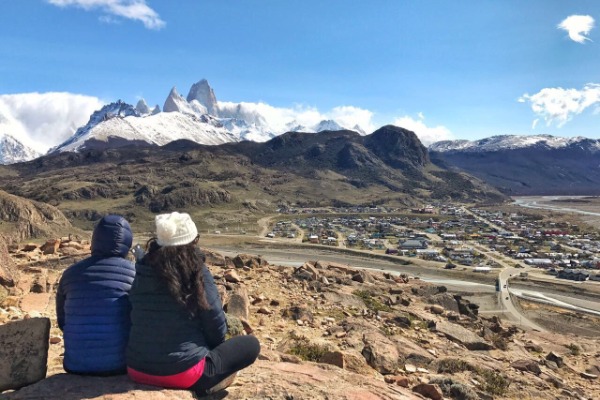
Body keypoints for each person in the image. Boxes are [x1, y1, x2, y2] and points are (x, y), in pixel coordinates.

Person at [126, 212, 260, 396]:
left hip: (137, 369)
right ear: (192, 242)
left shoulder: (142, 270)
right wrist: (212, 348)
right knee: (251, 344)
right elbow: (215, 323)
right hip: (184, 373)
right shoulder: (196, 270)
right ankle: (207, 387)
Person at [56, 214, 135, 375]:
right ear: (127, 243)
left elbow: (62, 321)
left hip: (75, 365)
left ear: (95, 240)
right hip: (120, 366)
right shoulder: (134, 273)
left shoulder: (70, 274)